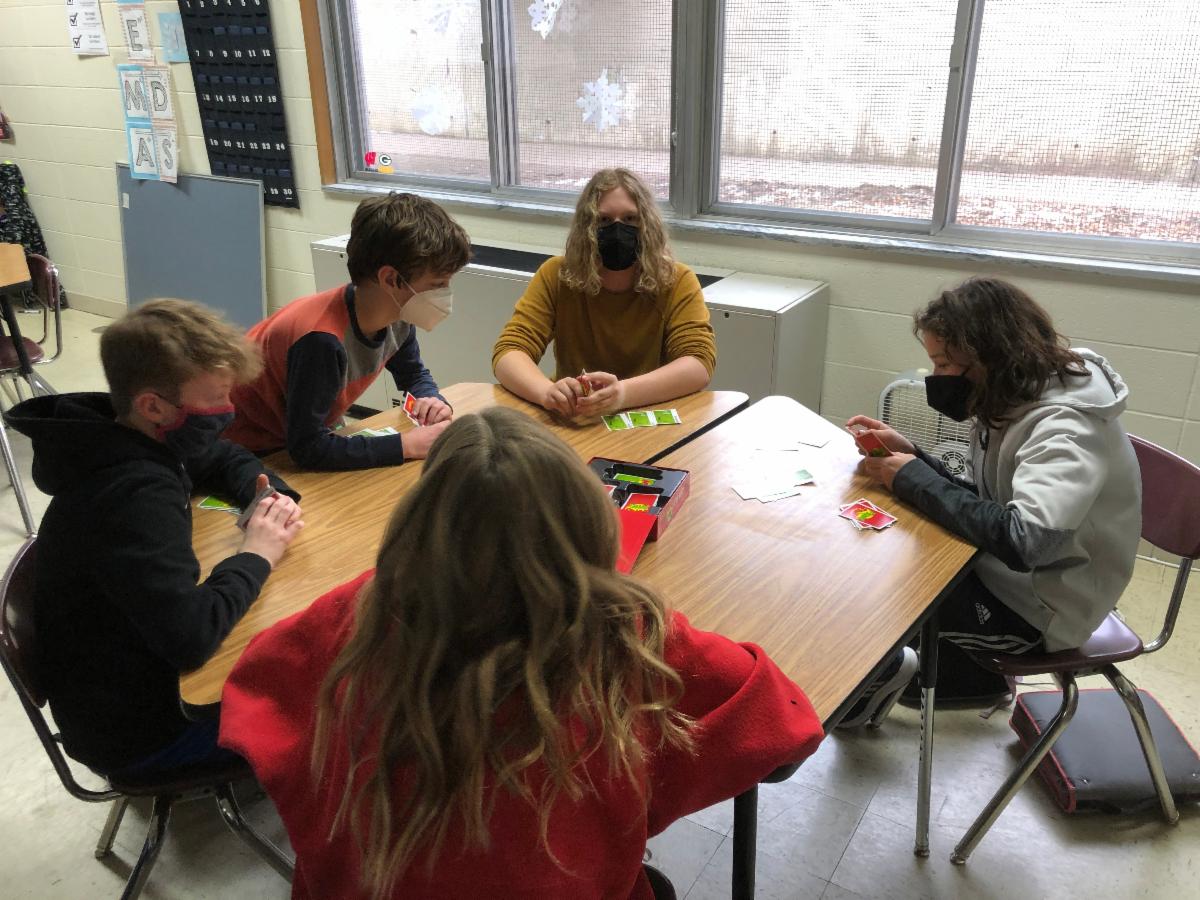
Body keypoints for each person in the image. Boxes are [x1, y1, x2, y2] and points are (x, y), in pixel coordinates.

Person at [220, 408, 822, 899]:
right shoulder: (625, 630)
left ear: (421, 522)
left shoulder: (364, 609)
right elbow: (781, 713)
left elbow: (257, 680)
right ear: (588, 524)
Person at [5, 300, 305, 777]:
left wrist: (269, 493)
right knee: (335, 693)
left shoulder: (127, 434)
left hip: (120, 687)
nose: (228, 411)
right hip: (143, 733)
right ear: (153, 405)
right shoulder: (134, 495)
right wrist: (257, 553)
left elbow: (221, 456)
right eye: (217, 398)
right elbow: (191, 638)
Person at [840, 276, 1140, 726]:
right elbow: (989, 503)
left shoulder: (1065, 427)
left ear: (989, 357)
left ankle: (880, 683)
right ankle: (939, 673)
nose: (936, 378)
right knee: (883, 554)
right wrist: (915, 459)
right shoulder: (1016, 394)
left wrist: (916, 479)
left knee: (869, 591)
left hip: (1040, 611)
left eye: (944, 364)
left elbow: (1025, 541)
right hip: (1006, 577)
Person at [224, 192, 471, 470]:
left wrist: (430, 398)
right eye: (437, 284)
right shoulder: (321, 341)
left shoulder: (397, 315)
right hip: (247, 448)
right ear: (391, 279)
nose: (445, 293)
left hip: (297, 433)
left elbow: (413, 374)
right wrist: (405, 445)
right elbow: (307, 448)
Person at [492, 168, 716, 418]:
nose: (617, 230)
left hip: (646, 410)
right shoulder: (556, 275)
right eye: (604, 221)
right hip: (576, 412)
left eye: (630, 219)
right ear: (586, 226)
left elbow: (698, 363)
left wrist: (622, 394)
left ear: (647, 224)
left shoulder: (676, 280)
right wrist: (546, 392)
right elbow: (510, 351)